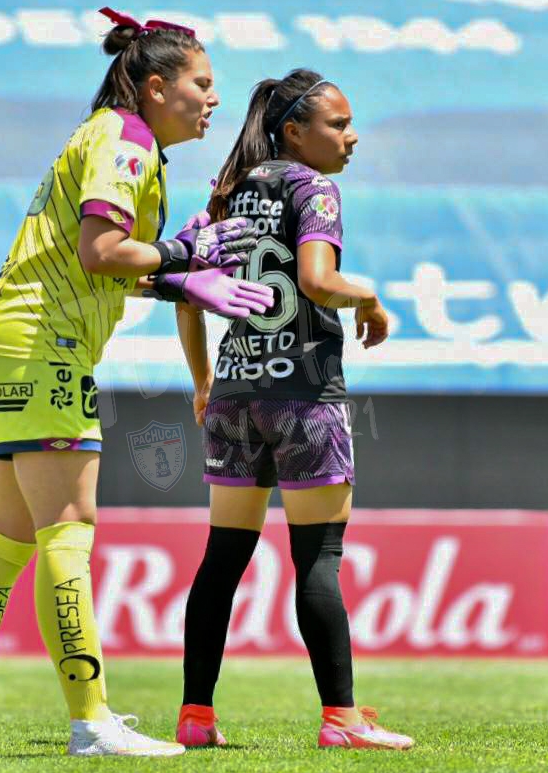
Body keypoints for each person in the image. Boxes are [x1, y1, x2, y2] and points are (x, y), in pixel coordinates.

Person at [0, 7, 274, 759]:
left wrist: (181, 275)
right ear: (156, 87)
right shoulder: (127, 139)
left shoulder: (115, 138)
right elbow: (101, 250)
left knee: (8, 539)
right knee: (70, 526)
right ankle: (92, 722)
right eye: (202, 83)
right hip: (43, 349)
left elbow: (114, 265)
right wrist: (183, 255)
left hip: (4, 345)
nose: (214, 99)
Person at [173, 68, 414, 751]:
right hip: (303, 394)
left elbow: (187, 290)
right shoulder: (314, 189)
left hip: (235, 393)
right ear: (296, 132)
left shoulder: (228, 192)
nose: (352, 136)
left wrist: (202, 381)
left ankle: (196, 715)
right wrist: (369, 298)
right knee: (318, 558)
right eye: (339, 124)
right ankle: (341, 719)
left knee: (222, 559)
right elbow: (316, 280)